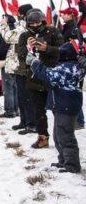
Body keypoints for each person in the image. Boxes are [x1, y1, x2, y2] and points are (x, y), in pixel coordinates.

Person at [28, 41, 84, 173]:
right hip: (62, 105)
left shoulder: (67, 69)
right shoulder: (74, 66)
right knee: (58, 135)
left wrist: (34, 62)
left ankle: (72, 165)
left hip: (66, 106)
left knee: (65, 136)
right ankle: (63, 160)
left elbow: (47, 75)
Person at [18, 8, 63, 148]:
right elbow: (20, 56)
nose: (36, 25)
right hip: (34, 78)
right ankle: (42, 137)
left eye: (38, 22)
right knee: (38, 110)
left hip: (52, 75)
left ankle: (61, 137)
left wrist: (47, 48)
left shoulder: (53, 32)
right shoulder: (24, 36)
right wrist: (29, 48)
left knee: (57, 109)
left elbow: (63, 51)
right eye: (32, 23)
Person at [59, 7, 85, 130]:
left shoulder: (75, 28)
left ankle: (79, 120)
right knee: (71, 92)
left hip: (74, 63)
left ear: (71, 15)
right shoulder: (67, 27)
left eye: (65, 14)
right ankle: (77, 119)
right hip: (68, 62)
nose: (63, 16)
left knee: (74, 91)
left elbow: (76, 46)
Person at [13, 4, 34, 132]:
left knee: (29, 98)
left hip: (29, 69)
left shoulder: (27, 29)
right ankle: (24, 121)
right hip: (20, 68)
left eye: (20, 14)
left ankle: (31, 123)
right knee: (21, 97)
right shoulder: (22, 28)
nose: (18, 16)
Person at [0, 14, 20, 118]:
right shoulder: (17, 30)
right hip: (15, 62)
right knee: (14, 87)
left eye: (3, 18)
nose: (1, 20)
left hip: (8, 62)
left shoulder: (8, 31)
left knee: (8, 87)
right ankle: (16, 109)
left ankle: (10, 110)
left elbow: (5, 43)